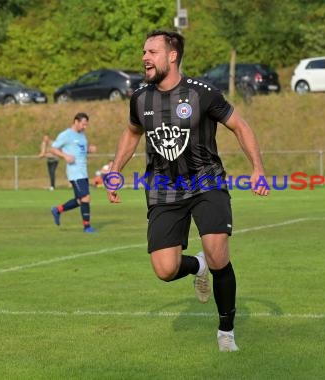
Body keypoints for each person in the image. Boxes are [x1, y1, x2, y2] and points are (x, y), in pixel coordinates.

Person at [106, 30, 269, 352]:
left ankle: (226, 331)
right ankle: (197, 266)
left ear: (172, 56)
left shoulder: (202, 93)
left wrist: (258, 169)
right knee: (165, 270)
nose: (145, 58)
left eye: (152, 52)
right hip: (163, 187)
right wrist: (114, 171)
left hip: (206, 180)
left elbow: (241, 126)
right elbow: (131, 133)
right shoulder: (140, 98)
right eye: (144, 52)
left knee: (218, 252)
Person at [49, 112, 96, 233]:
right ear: (76, 121)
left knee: (80, 200)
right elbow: (53, 148)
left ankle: (57, 210)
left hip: (83, 172)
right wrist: (65, 156)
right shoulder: (66, 135)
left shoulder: (82, 135)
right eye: (83, 124)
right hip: (75, 173)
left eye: (86, 125)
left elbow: (81, 152)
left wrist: (89, 150)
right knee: (86, 197)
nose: (85, 127)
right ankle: (87, 226)